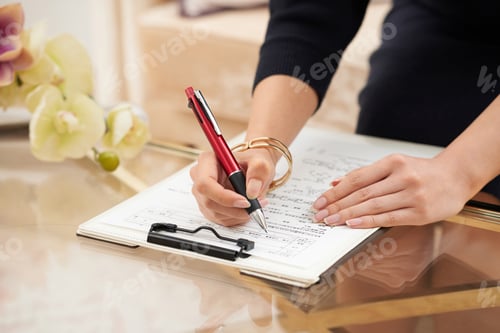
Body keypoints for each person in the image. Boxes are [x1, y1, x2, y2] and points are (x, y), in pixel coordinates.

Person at [189, 0, 500, 229]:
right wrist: (262, 146)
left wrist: (459, 173)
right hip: (442, 17)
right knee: (392, 132)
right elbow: (309, 15)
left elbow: (456, 175)